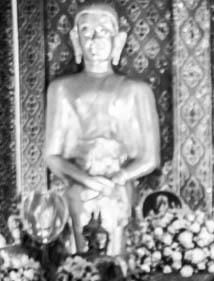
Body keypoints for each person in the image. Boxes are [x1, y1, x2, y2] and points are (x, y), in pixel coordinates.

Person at [45, 2, 160, 255]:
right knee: (80, 261)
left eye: (104, 31)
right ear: (76, 39)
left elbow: (150, 158)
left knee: (116, 258)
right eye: (86, 32)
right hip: (79, 188)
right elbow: (51, 156)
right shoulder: (61, 89)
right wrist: (87, 179)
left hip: (118, 187)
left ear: (118, 41)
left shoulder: (137, 91)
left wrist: (117, 179)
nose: (95, 39)